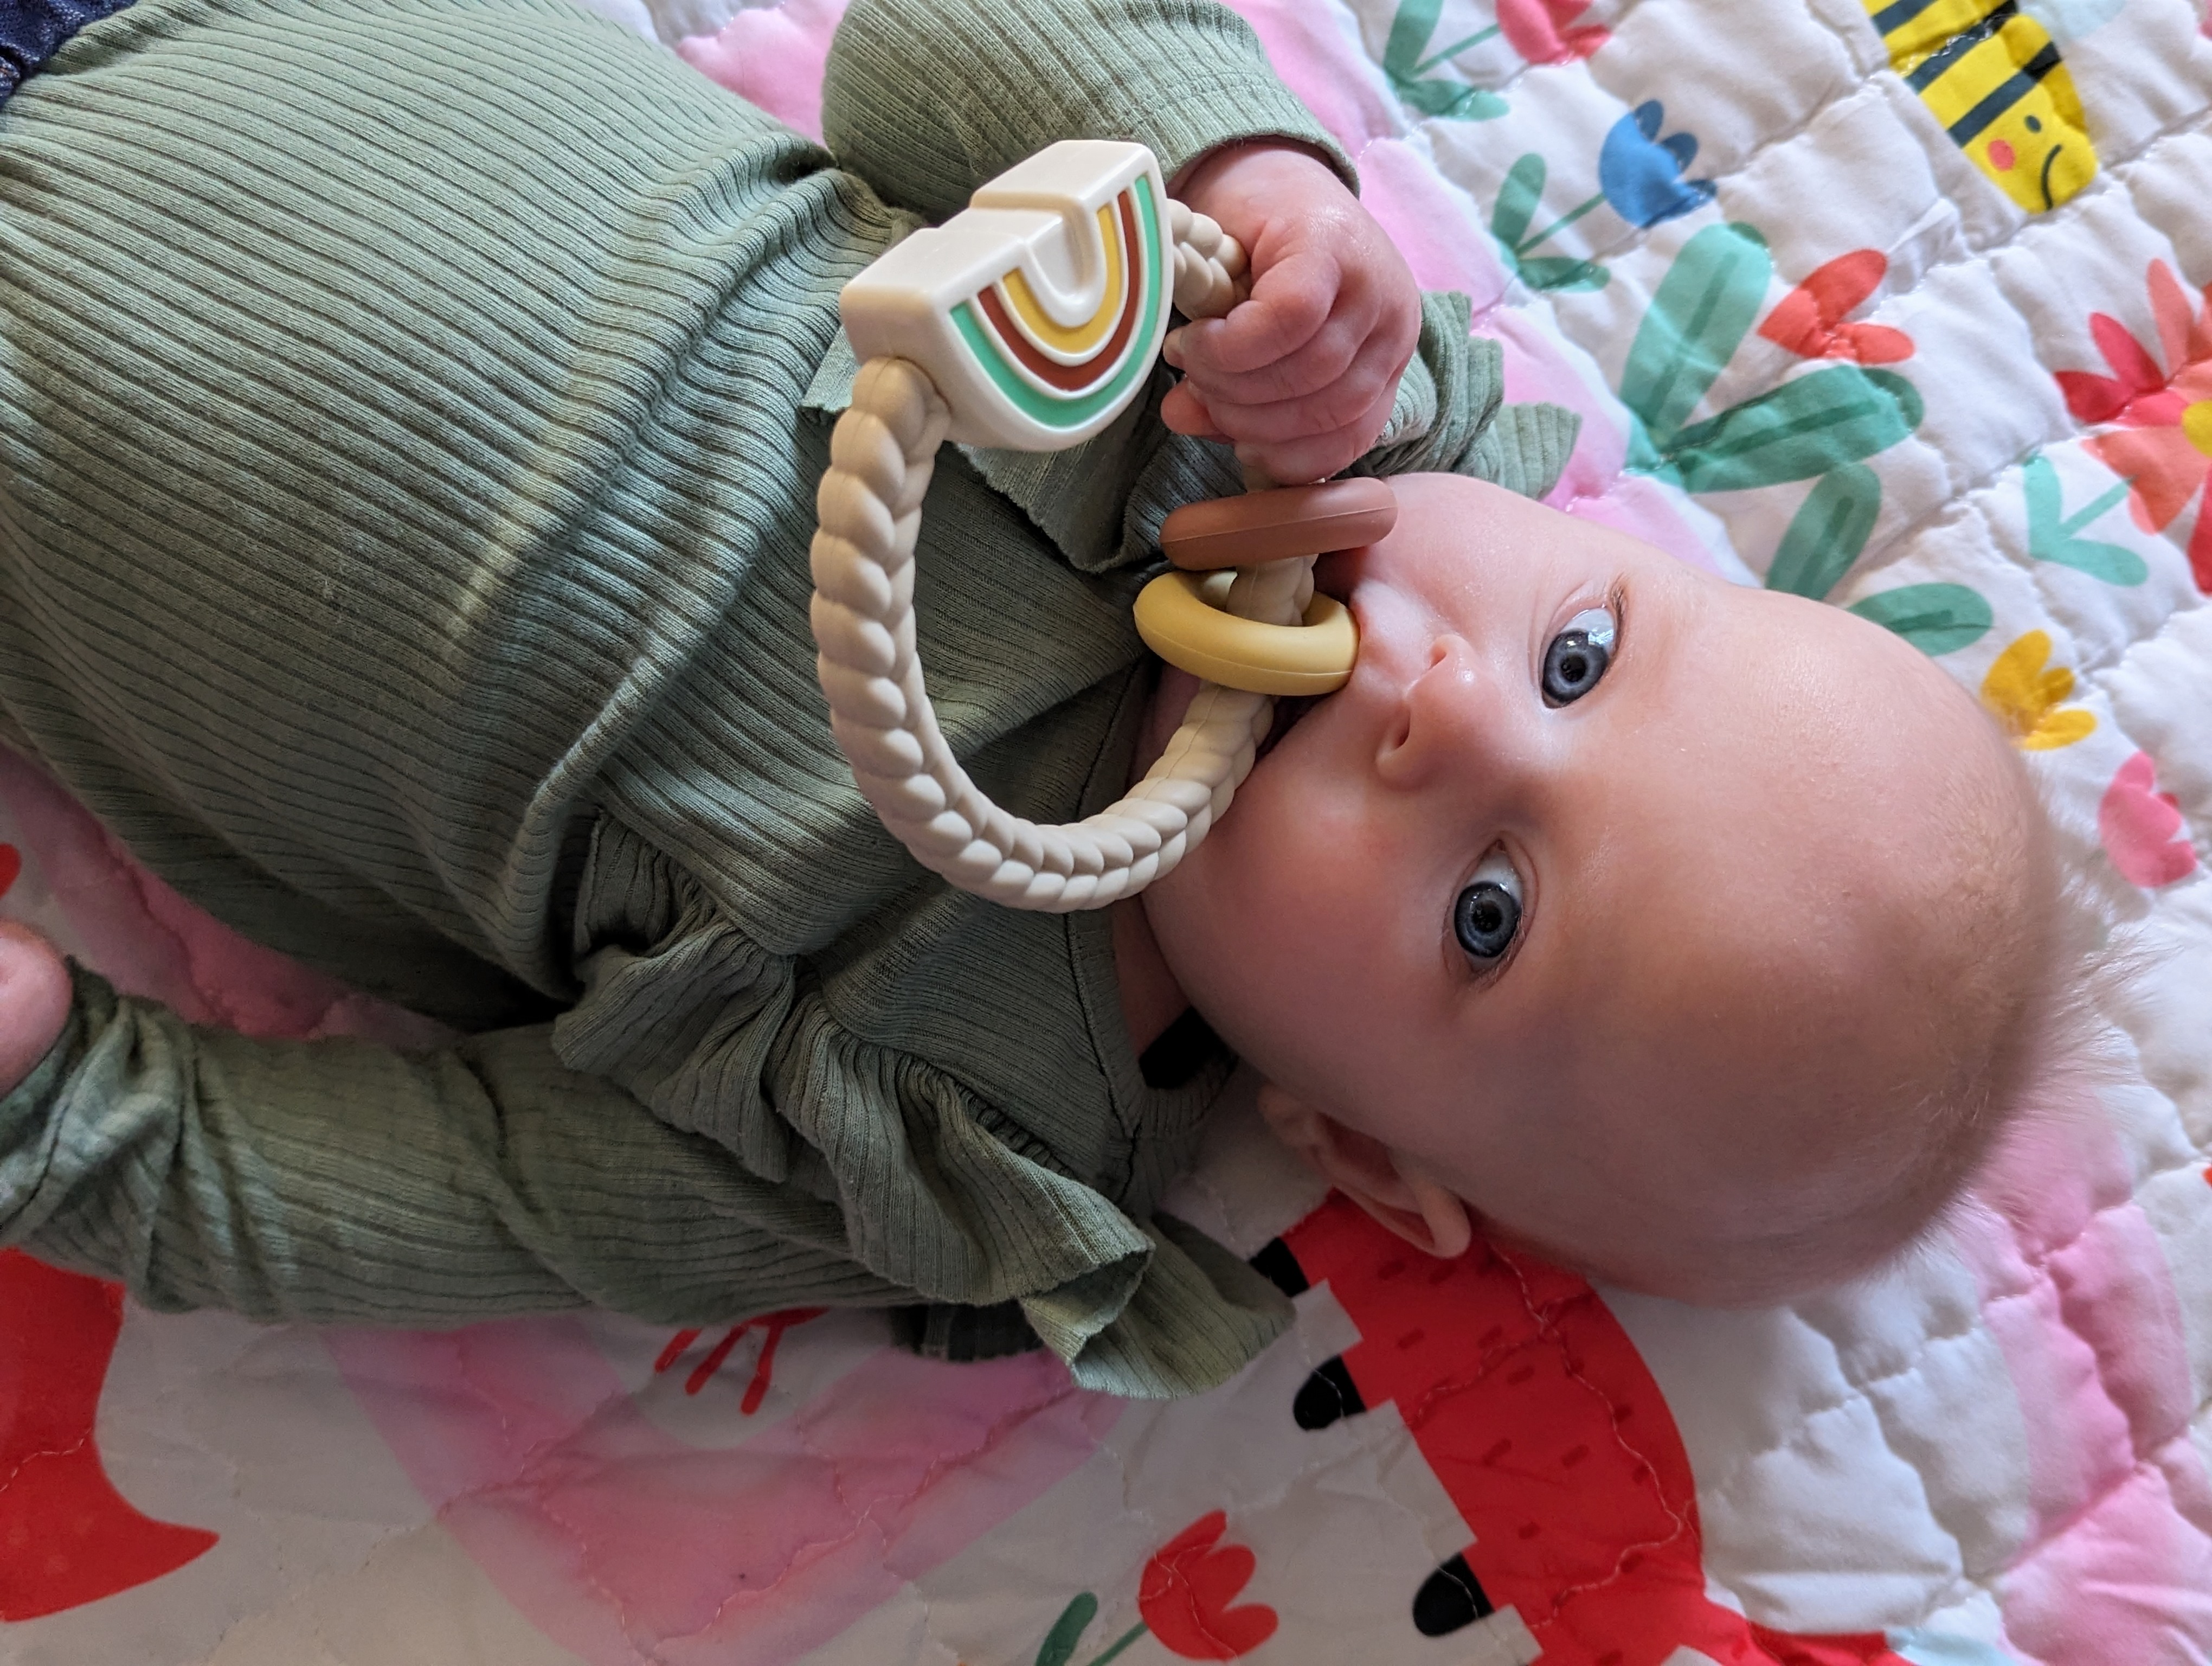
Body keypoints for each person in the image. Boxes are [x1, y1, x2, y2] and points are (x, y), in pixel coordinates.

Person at [0, 0, 2056, 1400]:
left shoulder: (944, 1134)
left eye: (1489, 913)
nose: (1448, 706)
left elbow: (457, 1197)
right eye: (1582, 655)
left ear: (1353, 1151)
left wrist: (61, 1108)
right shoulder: (1297, 383)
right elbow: (921, 44)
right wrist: (1248, 173)